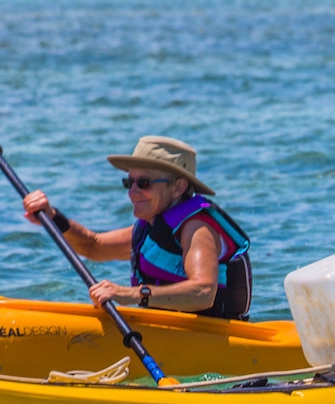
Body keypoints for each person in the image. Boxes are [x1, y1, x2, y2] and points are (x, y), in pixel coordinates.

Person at [21, 136, 254, 320]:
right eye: (129, 182)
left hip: (213, 338)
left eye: (144, 183)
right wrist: (52, 217)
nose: (133, 192)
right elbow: (95, 246)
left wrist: (131, 294)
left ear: (178, 188)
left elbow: (203, 292)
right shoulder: (151, 226)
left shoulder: (197, 227)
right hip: (168, 330)